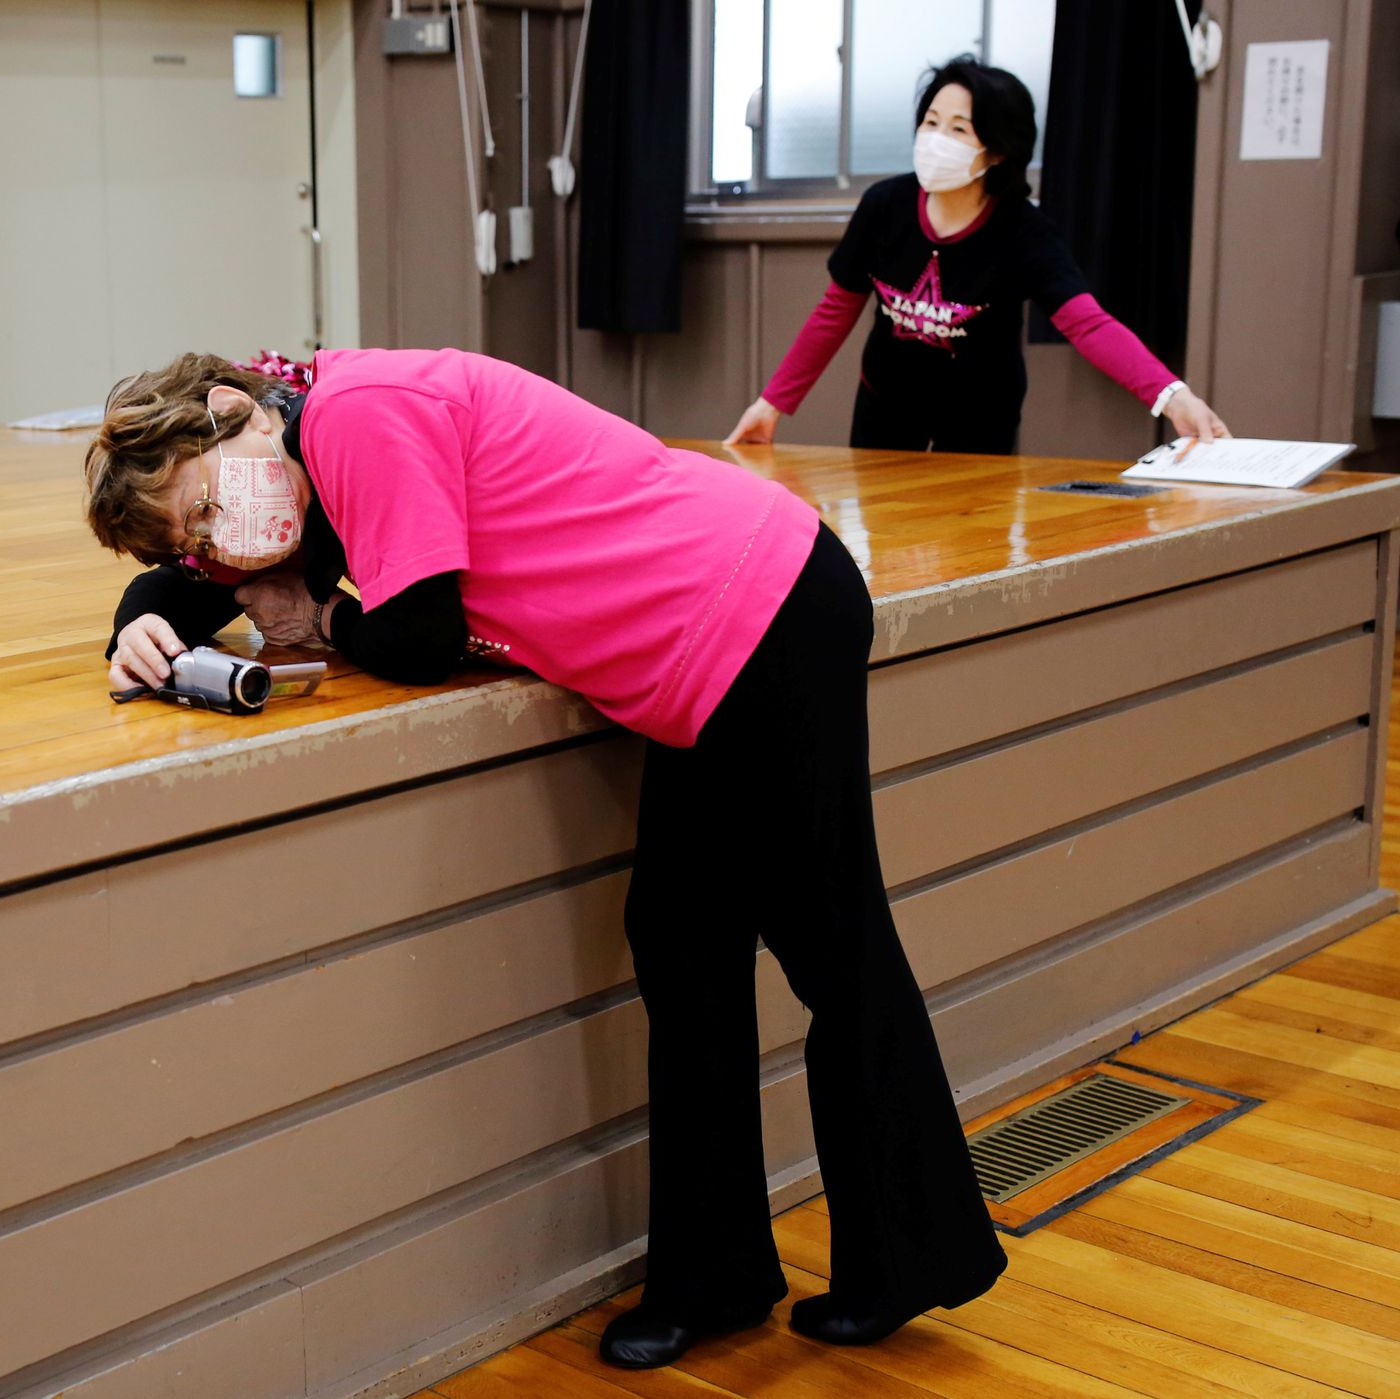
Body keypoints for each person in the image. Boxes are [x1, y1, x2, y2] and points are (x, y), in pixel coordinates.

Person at [85, 346, 1008, 1370]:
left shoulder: (355, 414)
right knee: (682, 944)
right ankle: (718, 1277)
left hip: (762, 608)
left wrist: (325, 619)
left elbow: (421, 631)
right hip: (705, 652)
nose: (219, 540)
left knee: (833, 947)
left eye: (204, 505)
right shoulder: (295, 458)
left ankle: (911, 1257)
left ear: (231, 412)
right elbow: (189, 587)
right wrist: (150, 630)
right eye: (195, 533)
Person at [726, 55, 1228, 457]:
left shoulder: (1025, 231)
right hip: (886, 401)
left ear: (998, 151)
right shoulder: (884, 206)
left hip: (980, 415)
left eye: (959, 130)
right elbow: (835, 311)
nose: (936, 139)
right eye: (930, 121)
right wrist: (772, 404)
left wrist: (1170, 395)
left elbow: (1088, 325)